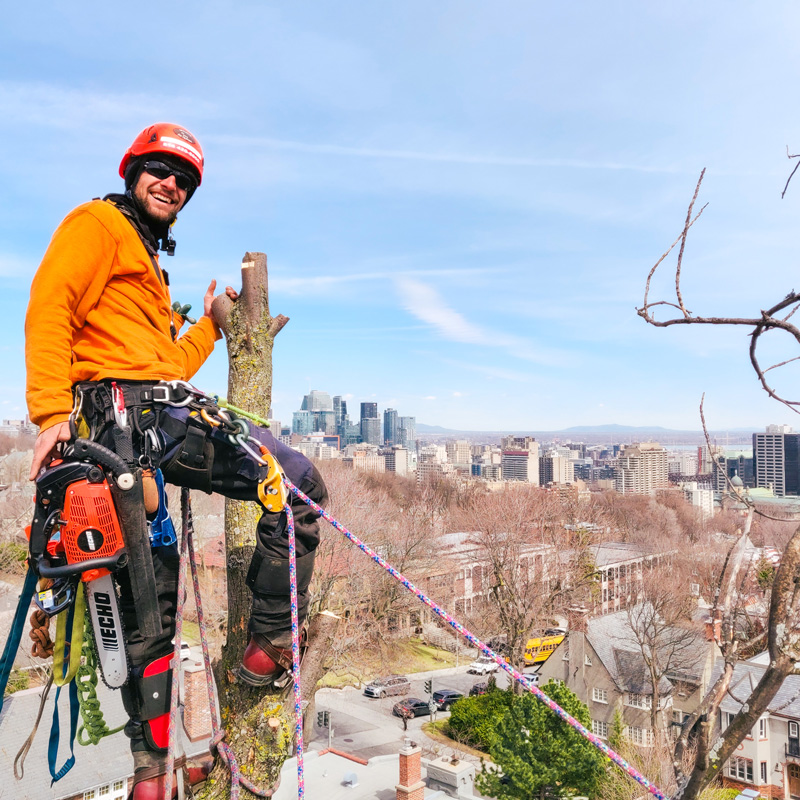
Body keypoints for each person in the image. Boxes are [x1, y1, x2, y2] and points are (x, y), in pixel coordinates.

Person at [25, 123, 328, 799]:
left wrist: (206, 330)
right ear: (133, 171)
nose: (172, 183)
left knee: (294, 486)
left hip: (155, 412)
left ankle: (259, 650)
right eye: (160, 169)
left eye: (184, 179)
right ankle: (154, 766)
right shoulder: (97, 224)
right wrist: (49, 415)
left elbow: (158, 363)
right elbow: (50, 305)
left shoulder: (143, 258)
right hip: (121, 418)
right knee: (152, 600)